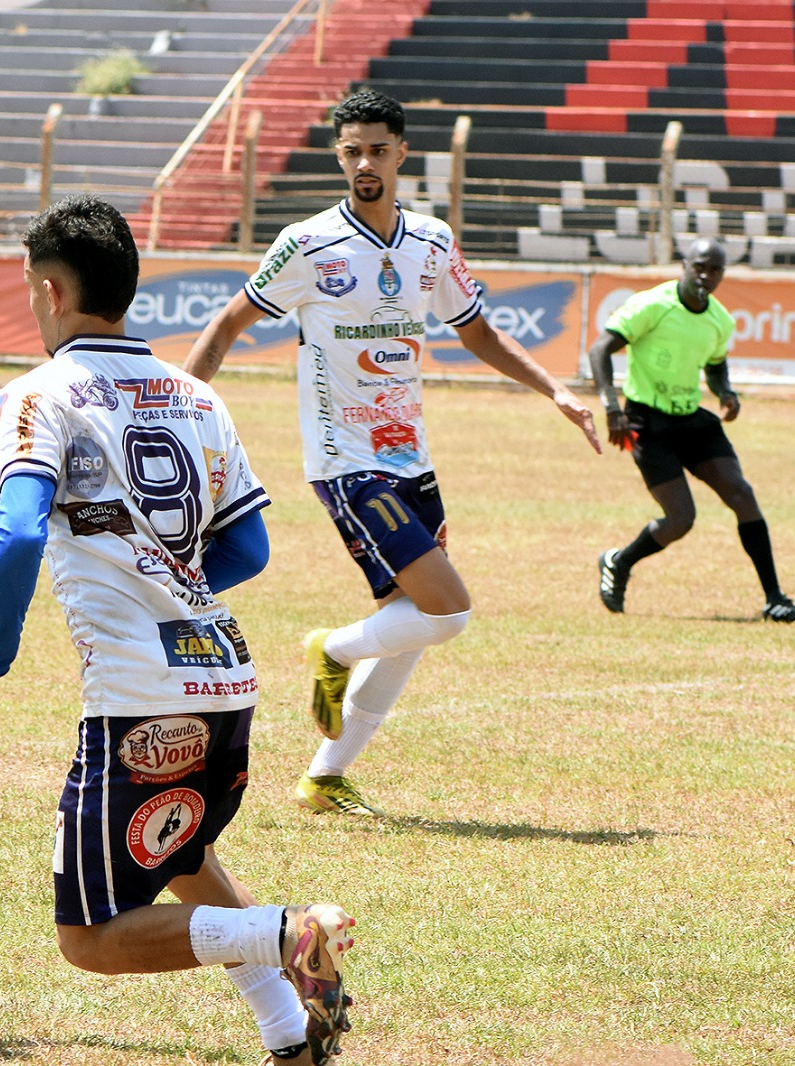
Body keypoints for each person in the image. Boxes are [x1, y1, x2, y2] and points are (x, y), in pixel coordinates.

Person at [0, 194, 354, 1066]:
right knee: (180, 851)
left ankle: (288, 933)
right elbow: (249, 545)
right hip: (224, 679)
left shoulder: (37, 395)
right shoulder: (197, 396)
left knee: (88, 936)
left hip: (136, 701)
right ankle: (288, 1030)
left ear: (51, 291)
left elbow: (18, 530)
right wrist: (174, 579)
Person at [183, 90, 601, 817]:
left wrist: (555, 391)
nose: (364, 163)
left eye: (378, 148)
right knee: (449, 611)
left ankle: (324, 777)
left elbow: (478, 333)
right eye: (352, 151)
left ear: (403, 153)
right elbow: (228, 324)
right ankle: (333, 649)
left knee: (408, 626)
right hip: (348, 462)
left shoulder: (432, 241)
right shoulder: (308, 243)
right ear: (339, 156)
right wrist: (179, 410)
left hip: (413, 459)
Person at [590, 238, 795, 623]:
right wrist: (612, 408)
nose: (705, 276)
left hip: (692, 421)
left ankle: (775, 599)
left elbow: (715, 365)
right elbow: (600, 350)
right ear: (684, 265)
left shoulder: (720, 320)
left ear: (723, 274)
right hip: (646, 423)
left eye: (714, 270)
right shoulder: (652, 305)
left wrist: (726, 393)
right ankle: (619, 562)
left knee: (742, 494)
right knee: (680, 519)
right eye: (699, 266)